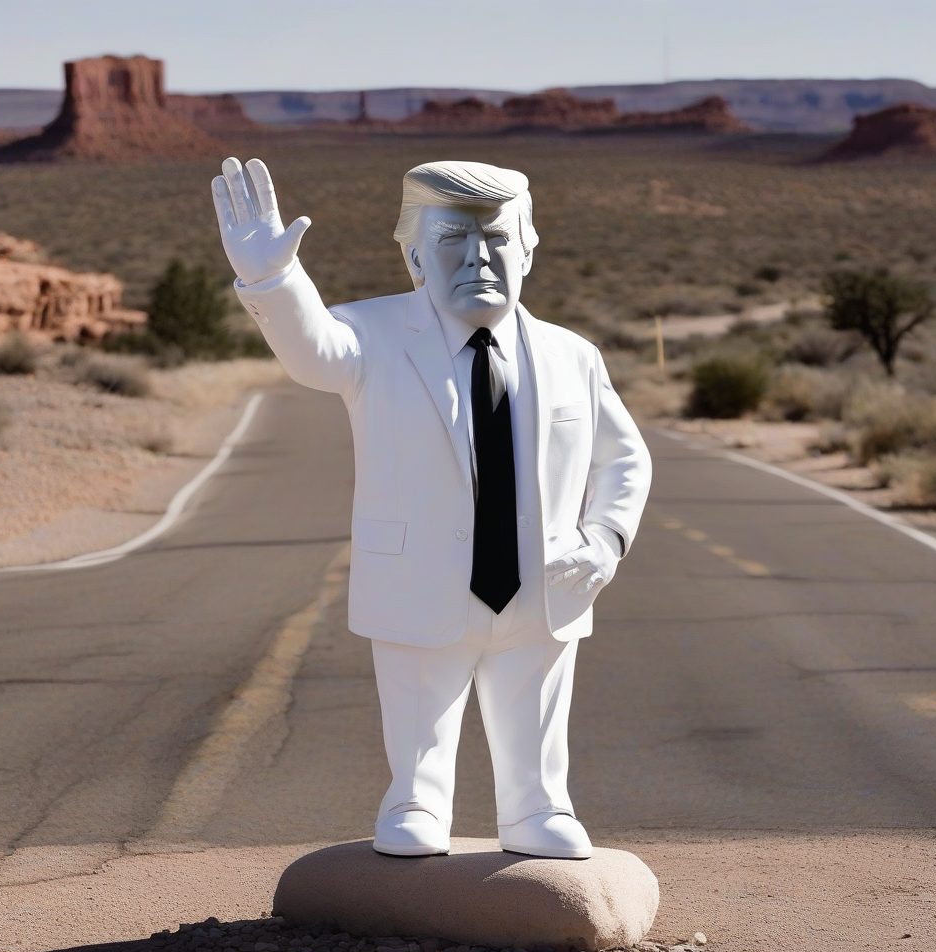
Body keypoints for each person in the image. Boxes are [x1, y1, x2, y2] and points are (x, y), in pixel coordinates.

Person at [212, 157, 651, 858]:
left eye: (498, 239)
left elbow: (623, 457)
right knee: (420, 712)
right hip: (420, 580)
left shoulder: (573, 356)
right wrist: (272, 279)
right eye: (452, 240)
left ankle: (538, 808)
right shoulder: (372, 335)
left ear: (530, 249)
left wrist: (604, 542)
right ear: (415, 255)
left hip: (543, 589)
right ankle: (415, 802)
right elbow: (312, 352)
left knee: (536, 711)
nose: (478, 256)